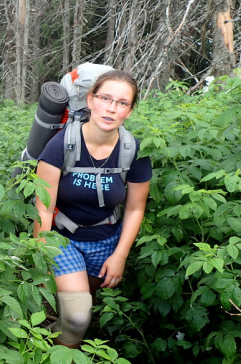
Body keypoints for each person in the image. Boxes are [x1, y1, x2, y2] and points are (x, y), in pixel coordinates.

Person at [33, 70, 152, 349]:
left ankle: (46, 341)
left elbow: (135, 208)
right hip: (62, 238)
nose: (111, 107)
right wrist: (40, 257)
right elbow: (43, 205)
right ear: (90, 100)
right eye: (105, 98)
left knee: (81, 307)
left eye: (122, 103)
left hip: (105, 241)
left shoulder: (133, 150)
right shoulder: (61, 144)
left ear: (130, 110)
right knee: (77, 317)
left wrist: (120, 256)